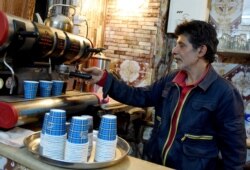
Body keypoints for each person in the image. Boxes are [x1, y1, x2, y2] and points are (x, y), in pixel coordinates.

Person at [82, 20, 246, 170]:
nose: (174, 51)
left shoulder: (225, 93)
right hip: (157, 165)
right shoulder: (171, 79)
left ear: (201, 50)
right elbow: (140, 96)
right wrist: (104, 79)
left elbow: (234, 153)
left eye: (182, 45)